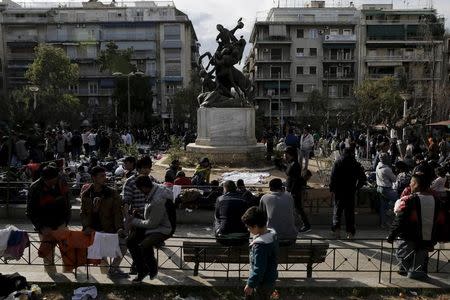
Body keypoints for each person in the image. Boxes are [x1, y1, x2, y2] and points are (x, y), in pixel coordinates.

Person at [387, 173, 440, 280]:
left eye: (411, 182)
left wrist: (391, 235)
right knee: (420, 257)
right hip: (427, 238)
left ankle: (411, 272)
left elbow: (399, 220)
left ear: (415, 184)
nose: (409, 184)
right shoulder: (436, 200)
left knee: (402, 255)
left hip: (409, 236)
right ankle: (416, 271)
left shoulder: (410, 200)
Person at [80, 166, 128, 279]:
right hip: (93, 229)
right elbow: (83, 213)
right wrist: (86, 226)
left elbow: (117, 212)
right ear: (94, 178)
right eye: (101, 176)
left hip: (109, 228)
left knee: (123, 245)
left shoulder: (111, 193)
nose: (104, 178)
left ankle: (113, 269)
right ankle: (109, 273)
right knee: (101, 255)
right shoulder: (86, 194)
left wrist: (119, 228)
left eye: (105, 175)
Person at [127, 175, 173, 282]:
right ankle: (142, 270)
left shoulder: (158, 199)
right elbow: (152, 211)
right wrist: (142, 211)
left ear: (143, 187)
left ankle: (151, 269)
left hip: (161, 228)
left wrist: (133, 221)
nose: (140, 192)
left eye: (140, 190)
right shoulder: (154, 189)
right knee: (130, 241)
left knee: (143, 245)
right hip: (155, 224)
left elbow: (152, 224)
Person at [26, 166, 71, 266]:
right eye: (52, 181)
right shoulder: (35, 188)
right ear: (45, 179)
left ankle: (69, 271)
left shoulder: (61, 182)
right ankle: (52, 275)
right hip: (45, 225)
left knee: (66, 250)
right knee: (47, 254)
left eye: (56, 179)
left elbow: (67, 201)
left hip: (61, 223)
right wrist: (41, 227)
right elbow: (30, 211)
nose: (55, 182)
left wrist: (66, 220)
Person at [241, 207, 278, 300]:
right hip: (270, 279)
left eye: (249, 227)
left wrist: (250, 284)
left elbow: (259, 268)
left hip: (262, 283)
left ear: (256, 226)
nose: (248, 230)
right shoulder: (272, 236)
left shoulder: (260, 246)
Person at [329, 148, 366, 239]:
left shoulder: (337, 162)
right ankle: (350, 234)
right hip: (350, 191)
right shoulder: (356, 164)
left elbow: (332, 177)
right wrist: (357, 187)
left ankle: (337, 232)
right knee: (350, 213)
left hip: (339, 191)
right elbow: (363, 178)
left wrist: (332, 189)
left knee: (337, 212)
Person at [259, 178, 298, 245]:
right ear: (281, 187)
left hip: (273, 238)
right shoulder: (289, 196)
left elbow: (261, 216)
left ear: (270, 188)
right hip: (291, 237)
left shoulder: (265, 198)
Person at [284, 146, 311, 233]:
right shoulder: (291, 163)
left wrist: (291, 192)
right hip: (291, 191)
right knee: (293, 209)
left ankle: (307, 225)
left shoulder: (295, 165)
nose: (285, 155)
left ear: (290, 154)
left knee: (298, 209)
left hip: (294, 192)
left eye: (286, 154)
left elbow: (295, 180)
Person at [214, 180, 249, 246]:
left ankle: (218, 236)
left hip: (223, 237)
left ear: (225, 189)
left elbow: (217, 216)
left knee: (216, 220)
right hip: (242, 236)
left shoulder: (220, 199)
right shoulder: (243, 199)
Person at [376, 152, 398, 228]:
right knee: (398, 199)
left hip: (379, 188)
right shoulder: (387, 169)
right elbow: (394, 179)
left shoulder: (378, 166)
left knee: (383, 207)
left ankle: (383, 223)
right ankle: (389, 212)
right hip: (386, 189)